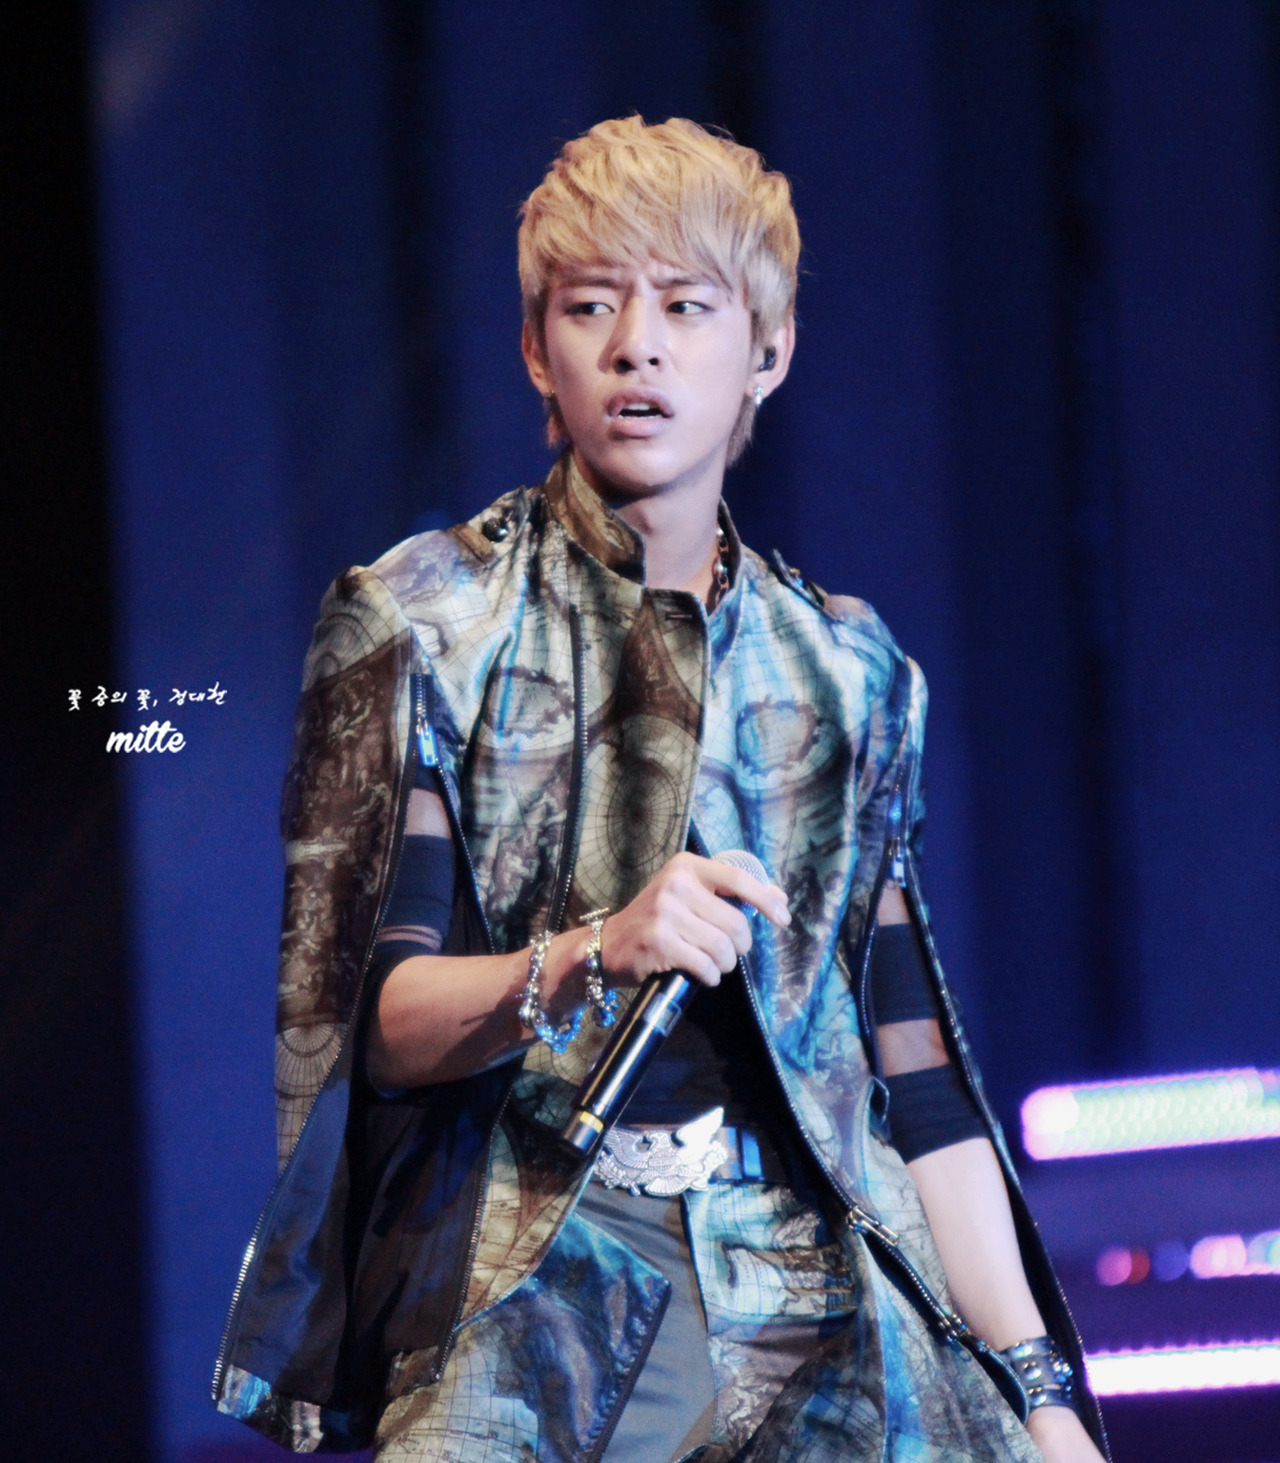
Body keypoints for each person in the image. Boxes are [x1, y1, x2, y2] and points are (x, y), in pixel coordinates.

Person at [214, 117, 1109, 1463]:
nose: (637, 346)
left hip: (819, 1299)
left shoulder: (845, 672)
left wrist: (1039, 1394)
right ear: (538, 350)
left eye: (686, 307)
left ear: (768, 350)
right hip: (535, 1289)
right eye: (591, 306)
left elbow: (914, 1084)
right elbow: (373, 1024)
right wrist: (596, 950)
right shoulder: (426, 622)